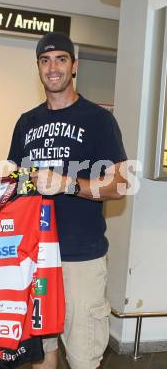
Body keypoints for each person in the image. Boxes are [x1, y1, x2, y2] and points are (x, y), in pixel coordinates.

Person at [7, 32, 127, 369]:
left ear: (74, 66)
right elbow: (15, 183)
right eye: (45, 61)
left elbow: (119, 184)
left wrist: (67, 184)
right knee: (43, 352)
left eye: (61, 59)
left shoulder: (98, 120)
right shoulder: (26, 123)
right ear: (38, 68)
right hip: (37, 255)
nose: (53, 67)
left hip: (81, 259)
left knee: (83, 355)